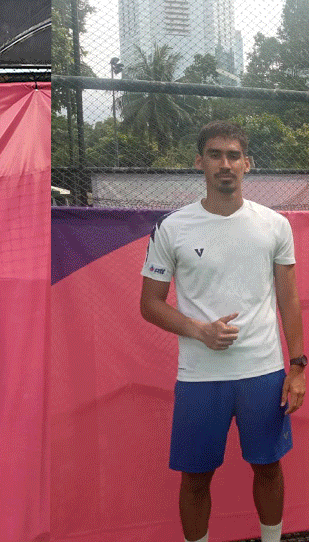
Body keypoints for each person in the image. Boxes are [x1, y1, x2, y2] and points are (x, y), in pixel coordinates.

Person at [140, 121, 305, 542]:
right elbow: (149, 304)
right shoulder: (172, 227)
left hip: (263, 373)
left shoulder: (274, 225)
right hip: (200, 378)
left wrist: (298, 367)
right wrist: (199, 331)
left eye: (234, 155)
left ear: (247, 164)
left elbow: (289, 300)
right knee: (195, 480)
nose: (225, 164)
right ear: (200, 162)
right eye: (215, 155)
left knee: (268, 468)